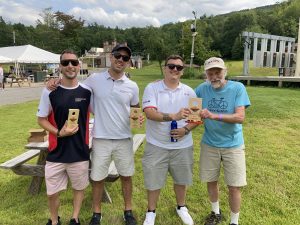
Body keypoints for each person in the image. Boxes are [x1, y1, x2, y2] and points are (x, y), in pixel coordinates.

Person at [47, 44, 141, 225]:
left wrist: (137, 117)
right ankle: (96, 213)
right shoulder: (94, 79)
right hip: (101, 138)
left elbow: (135, 109)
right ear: (111, 57)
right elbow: (72, 84)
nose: (121, 60)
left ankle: (128, 211)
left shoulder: (132, 86)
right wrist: (54, 81)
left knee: (126, 176)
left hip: (124, 138)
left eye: (125, 58)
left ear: (128, 63)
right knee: (98, 177)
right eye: (117, 56)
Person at [37, 49, 92, 225]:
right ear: (60, 66)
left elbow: (104, 110)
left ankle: (74, 218)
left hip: (79, 151)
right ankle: (54, 220)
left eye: (74, 62)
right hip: (56, 151)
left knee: (79, 188)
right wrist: (59, 132)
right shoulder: (49, 91)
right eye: (66, 62)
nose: (70, 66)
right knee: (51, 192)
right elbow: (41, 120)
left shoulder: (87, 91)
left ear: (79, 65)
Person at [142, 55, 198, 225]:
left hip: (182, 145)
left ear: (182, 71)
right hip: (156, 144)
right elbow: (149, 113)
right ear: (165, 68)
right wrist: (173, 116)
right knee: (153, 181)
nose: (175, 69)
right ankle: (151, 212)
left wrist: (185, 130)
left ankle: (181, 207)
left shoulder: (190, 91)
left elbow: (196, 118)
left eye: (179, 67)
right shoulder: (152, 88)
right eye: (171, 66)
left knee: (181, 180)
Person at [194, 57, 251, 225]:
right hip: (209, 144)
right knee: (211, 181)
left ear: (224, 72)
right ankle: (215, 212)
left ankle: (234, 222)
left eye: (217, 72)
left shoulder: (237, 88)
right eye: (210, 73)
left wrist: (213, 115)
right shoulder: (202, 89)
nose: (214, 76)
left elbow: (240, 117)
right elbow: (190, 109)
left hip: (233, 145)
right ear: (206, 75)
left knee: (234, 186)